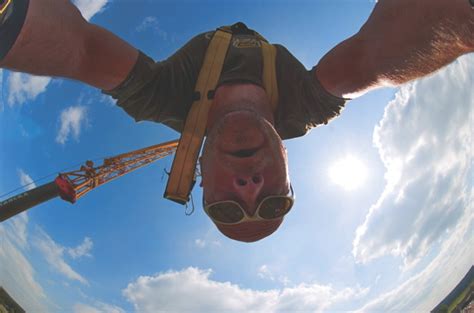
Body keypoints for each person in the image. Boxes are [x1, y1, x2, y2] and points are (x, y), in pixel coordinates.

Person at [1, 0, 472, 242]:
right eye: (274, 203)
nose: (249, 189)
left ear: (201, 180)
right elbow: (371, 59)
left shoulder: (163, 99)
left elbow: (81, 50)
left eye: (227, 208)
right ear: (288, 164)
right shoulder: (302, 107)